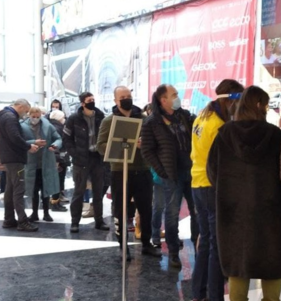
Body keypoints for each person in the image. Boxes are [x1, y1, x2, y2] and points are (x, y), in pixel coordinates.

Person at [207, 85, 281, 301]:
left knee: (238, 264)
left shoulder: (224, 134)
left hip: (233, 211)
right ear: (260, 106)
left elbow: (212, 172)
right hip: (271, 208)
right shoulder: (276, 136)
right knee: (272, 263)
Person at [189, 79, 244, 301]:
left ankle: (198, 298)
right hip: (212, 187)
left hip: (197, 184)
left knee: (206, 242)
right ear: (232, 100)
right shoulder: (220, 126)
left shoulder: (202, 118)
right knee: (215, 246)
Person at [97, 86, 161, 257]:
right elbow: (100, 145)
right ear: (115, 101)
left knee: (146, 209)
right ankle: (123, 245)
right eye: (122, 97)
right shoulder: (109, 121)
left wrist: (145, 143)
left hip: (143, 169)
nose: (127, 99)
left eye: (128, 96)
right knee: (120, 210)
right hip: (120, 171)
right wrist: (123, 145)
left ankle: (146, 243)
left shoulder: (144, 119)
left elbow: (155, 142)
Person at [140, 84, 197, 267]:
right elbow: (147, 151)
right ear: (163, 100)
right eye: (174, 95)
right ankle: (173, 252)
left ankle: (199, 249)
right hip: (171, 175)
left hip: (192, 172)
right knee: (172, 214)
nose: (177, 97)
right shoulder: (152, 122)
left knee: (197, 211)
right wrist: (162, 171)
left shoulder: (184, 116)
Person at [63, 92, 110, 233]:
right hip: (81, 159)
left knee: (98, 191)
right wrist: (75, 154)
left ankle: (99, 220)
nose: (92, 102)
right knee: (79, 191)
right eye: (89, 100)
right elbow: (66, 138)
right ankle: (75, 222)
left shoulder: (101, 117)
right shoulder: (73, 119)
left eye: (93, 99)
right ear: (82, 103)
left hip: (97, 158)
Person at [0, 99, 42, 232]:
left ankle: (9, 219)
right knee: (18, 190)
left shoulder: (5, 116)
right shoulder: (10, 118)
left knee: (10, 189)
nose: (26, 114)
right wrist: (28, 146)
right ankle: (22, 221)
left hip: (9, 157)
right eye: (26, 111)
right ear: (21, 106)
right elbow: (15, 137)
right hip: (14, 158)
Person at [21, 107, 62, 223]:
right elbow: (20, 141)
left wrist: (54, 145)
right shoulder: (23, 126)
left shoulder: (47, 126)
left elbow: (58, 138)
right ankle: (34, 213)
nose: (35, 119)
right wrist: (33, 142)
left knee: (46, 189)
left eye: (37, 117)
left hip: (46, 161)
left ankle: (46, 213)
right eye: (33, 116)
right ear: (29, 115)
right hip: (31, 161)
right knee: (33, 190)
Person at [48, 109, 69, 212]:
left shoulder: (52, 126)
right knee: (57, 182)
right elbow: (56, 146)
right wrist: (57, 160)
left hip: (58, 158)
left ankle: (55, 202)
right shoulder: (57, 128)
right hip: (58, 159)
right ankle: (55, 203)